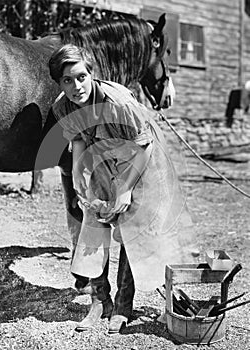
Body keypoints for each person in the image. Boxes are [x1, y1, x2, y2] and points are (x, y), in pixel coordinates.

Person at [47, 44, 194, 334]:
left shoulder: (119, 102)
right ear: (59, 83)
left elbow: (143, 147)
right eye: (67, 81)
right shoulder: (62, 106)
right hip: (102, 161)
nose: (76, 87)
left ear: (91, 73)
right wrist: (78, 173)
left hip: (140, 161)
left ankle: (123, 306)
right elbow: (78, 139)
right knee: (93, 225)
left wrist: (125, 190)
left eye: (80, 77)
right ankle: (100, 302)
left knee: (131, 231)